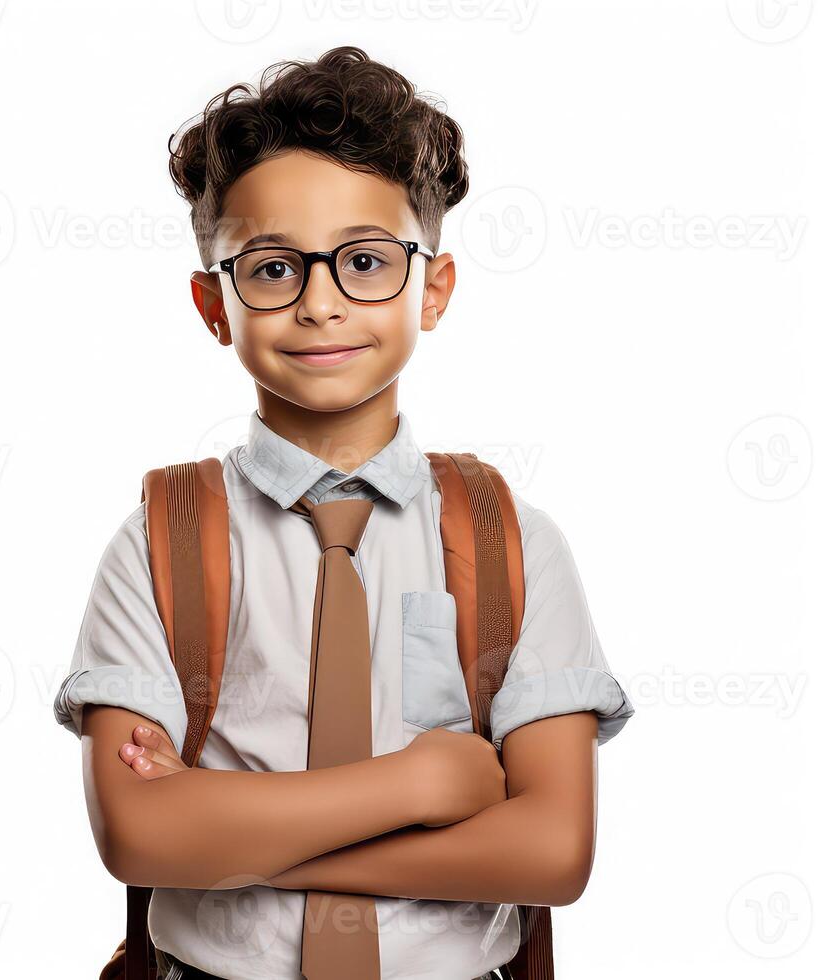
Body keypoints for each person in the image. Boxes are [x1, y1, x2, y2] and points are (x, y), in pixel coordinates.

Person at [53, 45, 635, 980]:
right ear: (214, 305)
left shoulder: (511, 543)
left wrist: (237, 838)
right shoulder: (159, 543)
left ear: (431, 290)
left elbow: (552, 853)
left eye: (365, 261)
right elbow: (139, 835)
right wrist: (417, 784)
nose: (321, 303)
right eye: (274, 268)